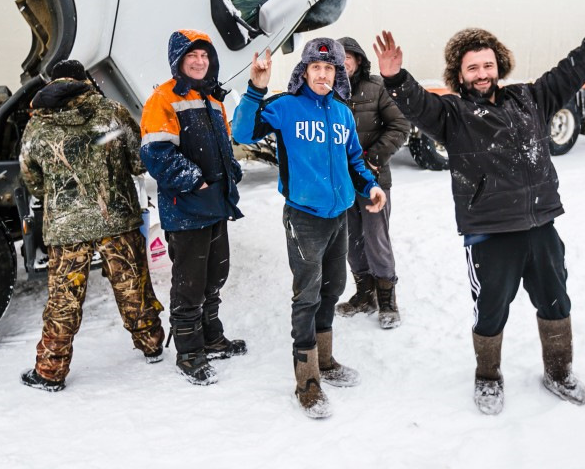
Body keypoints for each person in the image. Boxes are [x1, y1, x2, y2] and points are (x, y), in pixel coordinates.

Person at [372, 0, 585, 414]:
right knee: (490, 311)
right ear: (459, 74)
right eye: (472, 67)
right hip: (489, 233)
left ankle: (560, 373)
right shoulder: (452, 114)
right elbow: (417, 105)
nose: (482, 73)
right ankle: (488, 377)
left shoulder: (531, 98)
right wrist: (396, 78)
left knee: (556, 302)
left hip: (540, 226)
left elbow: (574, 68)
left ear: (499, 66)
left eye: (488, 64)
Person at [232, 38, 387, 419]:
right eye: (315, 67)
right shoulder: (286, 107)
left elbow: (353, 159)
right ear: (304, 71)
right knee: (307, 296)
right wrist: (255, 88)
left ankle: (326, 359)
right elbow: (242, 133)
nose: (322, 74)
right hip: (304, 218)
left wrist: (370, 186)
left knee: (333, 288)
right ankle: (307, 380)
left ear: (337, 73)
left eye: (329, 68)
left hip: (338, 216)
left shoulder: (342, 113)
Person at [19, 59, 165, 392]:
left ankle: (50, 372)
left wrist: (61, 195)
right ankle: (151, 344)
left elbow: (32, 179)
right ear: (85, 81)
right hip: (117, 219)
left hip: (65, 227)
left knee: (64, 300)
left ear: (51, 83)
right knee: (133, 286)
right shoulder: (112, 112)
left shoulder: (37, 123)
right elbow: (138, 161)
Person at [140, 29, 246, 386]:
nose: (200, 61)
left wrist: (231, 171)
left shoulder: (213, 99)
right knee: (190, 284)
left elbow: (224, 145)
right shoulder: (163, 98)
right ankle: (188, 352)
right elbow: (156, 153)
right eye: (192, 56)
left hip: (215, 204)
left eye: (204, 55)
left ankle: (212, 337)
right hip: (185, 208)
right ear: (179, 61)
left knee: (215, 276)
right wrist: (195, 180)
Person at [334, 37, 410, 329]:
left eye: (348, 56)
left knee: (376, 239)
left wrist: (374, 159)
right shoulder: (328, 91)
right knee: (351, 239)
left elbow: (400, 125)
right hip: (342, 182)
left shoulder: (376, 87)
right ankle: (364, 294)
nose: (343, 62)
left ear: (358, 59)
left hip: (374, 180)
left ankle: (388, 300)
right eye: (338, 57)